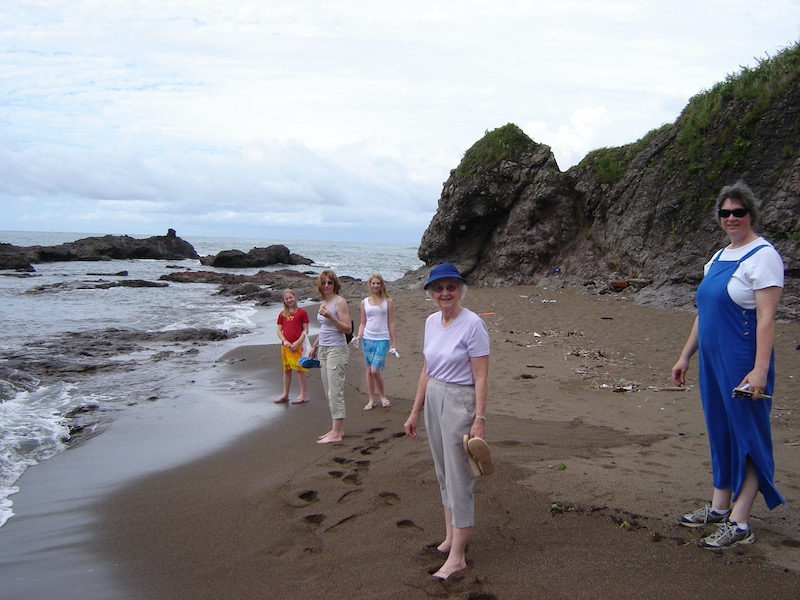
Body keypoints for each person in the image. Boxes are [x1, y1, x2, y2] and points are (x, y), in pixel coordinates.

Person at [671, 181, 785, 549]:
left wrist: (760, 370)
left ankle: (740, 521)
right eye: (725, 213)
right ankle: (720, 506)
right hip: (712, 360)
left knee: (748, 437)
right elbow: (704, 315)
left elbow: (767, 318)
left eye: (739, 212)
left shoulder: (764, 256)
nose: (732, 218)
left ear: (751, 214)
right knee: (720, 429)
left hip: (744, 361)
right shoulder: (717, 259)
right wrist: (685, 354)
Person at [403, 262, 490, 580]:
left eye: (451, 287)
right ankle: (451, 536)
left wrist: (479, 419)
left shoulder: (473, 324)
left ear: (460, 289)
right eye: (438, 288)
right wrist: (414, 411)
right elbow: (427, 369)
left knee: (459, 477)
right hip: (434, 398)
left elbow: (481, 376)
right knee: (442, 472)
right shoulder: (430, 322)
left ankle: (458, 557)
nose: (445, 293)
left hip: (459, 401)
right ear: (430, 292)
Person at [310, 270, 352, 444]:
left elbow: (347, 329)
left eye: (330, 283)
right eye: (324, 283)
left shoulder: (339, 302)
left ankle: (336, 433)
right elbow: (324, 329)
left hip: (337, 349)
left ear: (335, 284)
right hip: (324, 349)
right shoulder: (324, 302)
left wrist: (330, 317)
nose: (326, 286)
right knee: (329, 390)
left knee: (335, 391)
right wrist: (315, 345)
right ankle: (337, 428)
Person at [354, 273, 397, 411]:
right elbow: (362, 323)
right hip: (367, 338)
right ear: (370, 285)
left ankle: (383, 396)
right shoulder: (364, 302)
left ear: (381, 284)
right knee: (368, 371)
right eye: (373, 283)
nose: (376, 286)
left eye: (378, 283)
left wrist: (394, 342)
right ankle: (371, 400)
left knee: (374, 370)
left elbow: (391, 323)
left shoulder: (388, 301)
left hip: (382, 339)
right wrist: (359, 336)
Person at [275, 289, 310, 404]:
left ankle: (303, 394)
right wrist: (284, 341)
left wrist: (298, 342)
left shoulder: (301, 312)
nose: (289, 300)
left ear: (295, 297)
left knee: (299, 370)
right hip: (286, 346)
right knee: (287, 370)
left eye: (291, 297)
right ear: (284, 301)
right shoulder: (282, 314)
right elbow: (279, 330)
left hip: (297, 346)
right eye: (287, 299)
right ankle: (285, 394)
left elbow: (306, 330)